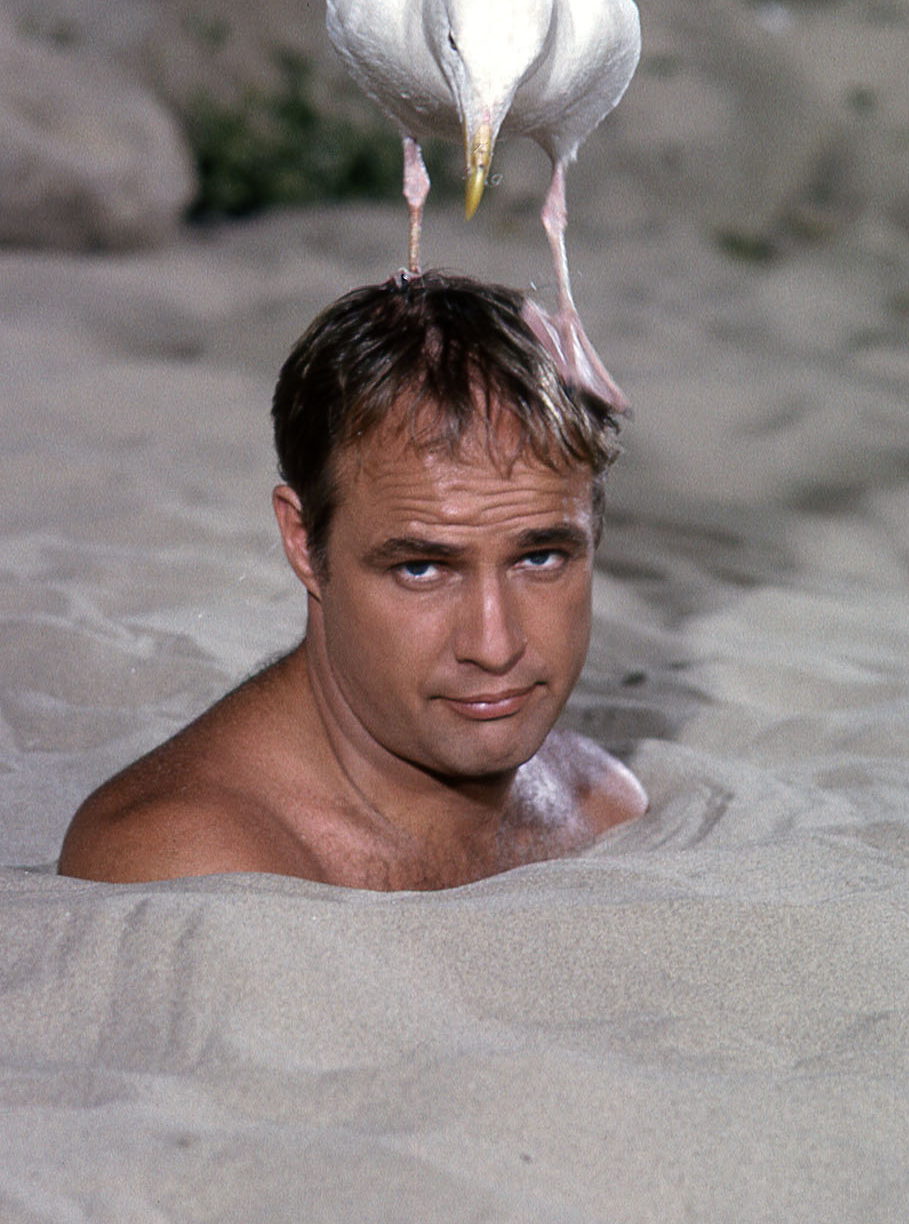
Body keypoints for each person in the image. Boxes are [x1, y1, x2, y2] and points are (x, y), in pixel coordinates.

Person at [59, 271, 648, 891]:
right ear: (303, 542)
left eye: (541, 559)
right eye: (421, 568)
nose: (494, 645)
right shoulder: (186, 864)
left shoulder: (604, 808)